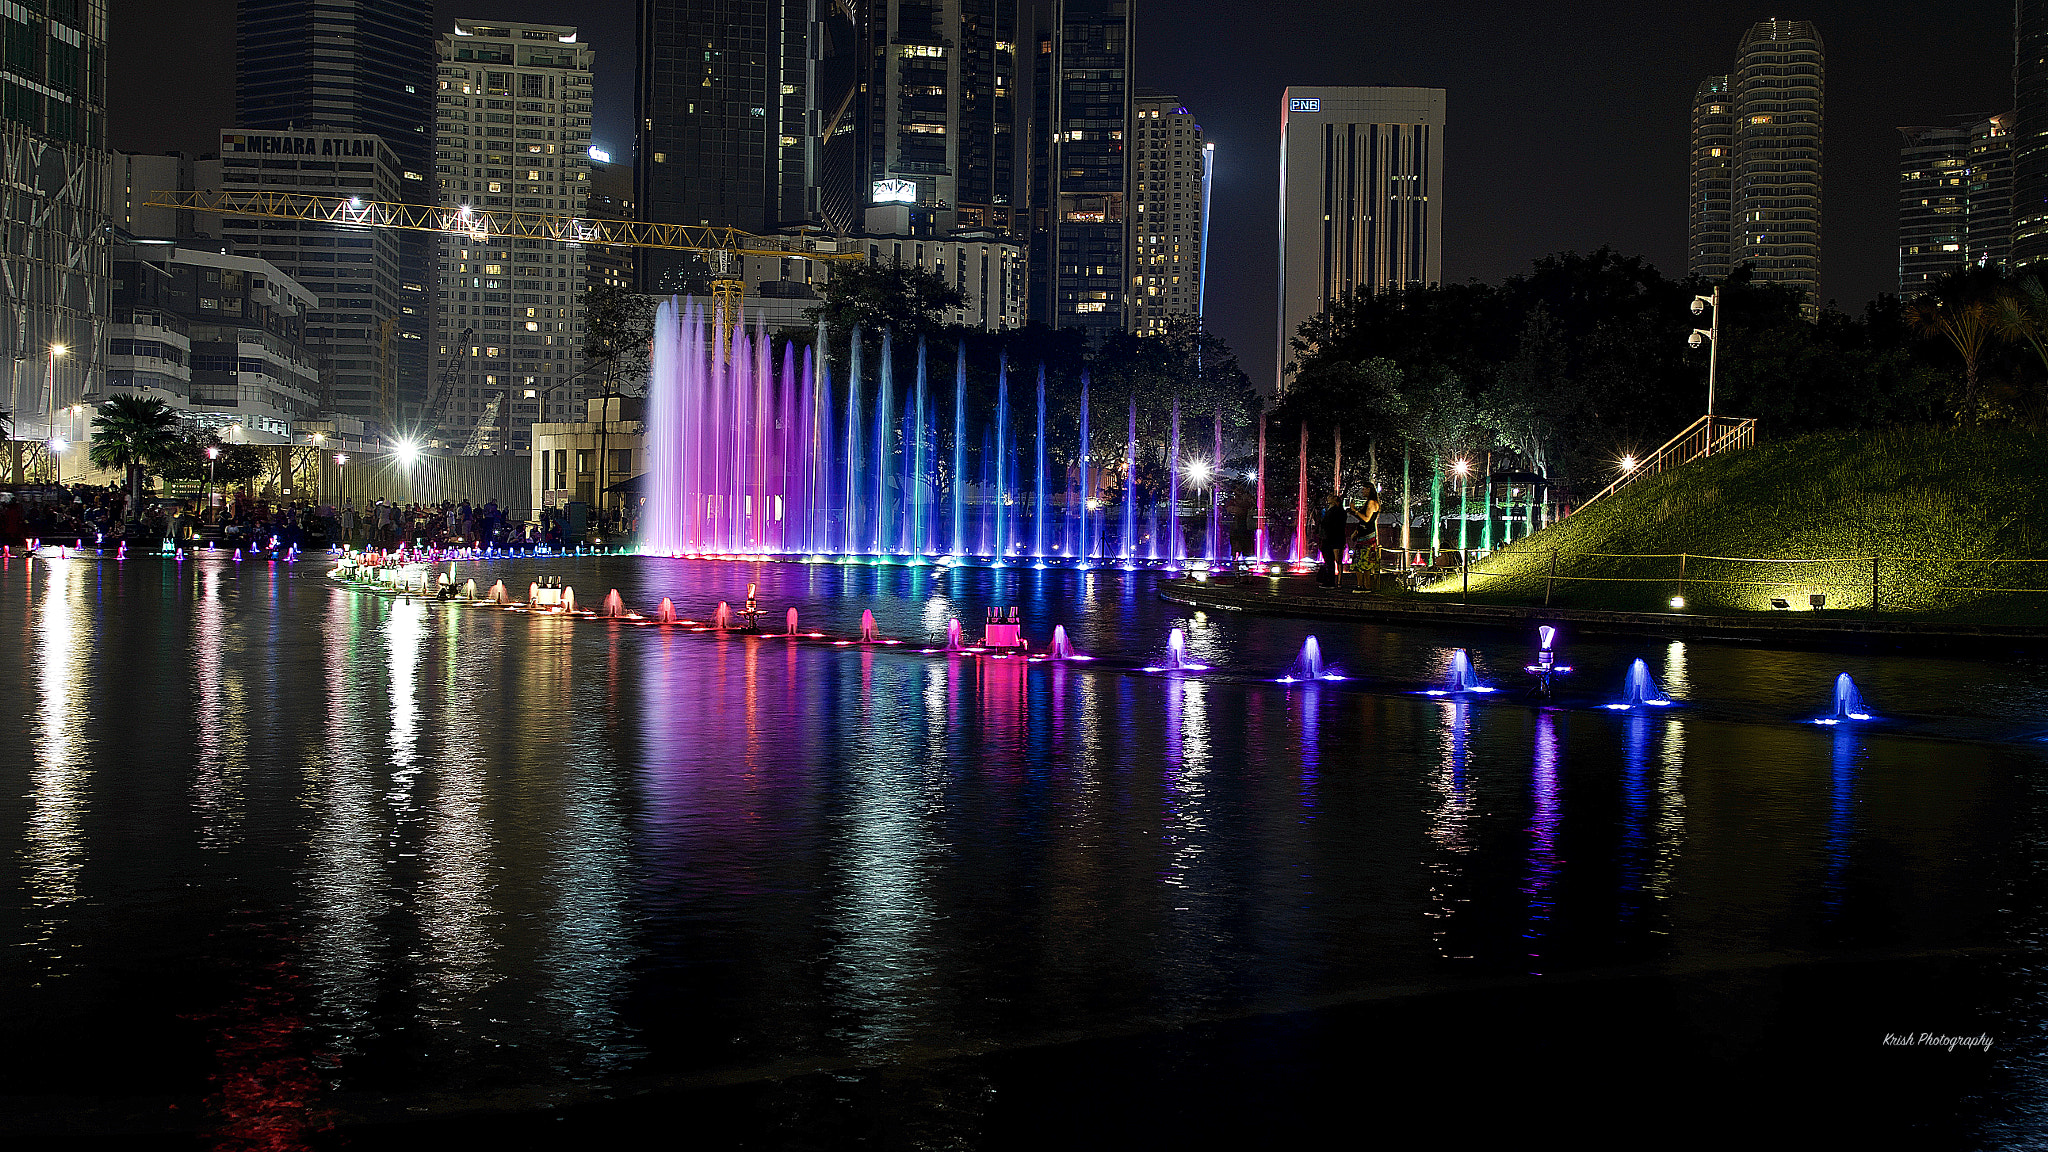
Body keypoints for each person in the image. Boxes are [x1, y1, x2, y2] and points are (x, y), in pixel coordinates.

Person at [1316, 490, 1348, 588]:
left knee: (1332, 560)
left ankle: (1333, 582)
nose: (1328, 497)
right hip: (1329, 538)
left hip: (1333, 538)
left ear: (1336, 501)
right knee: (1329, 560)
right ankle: (1331, 581)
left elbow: (1331, 524)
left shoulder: (1337, 511)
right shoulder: (1329, 510)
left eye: (1331, 496)